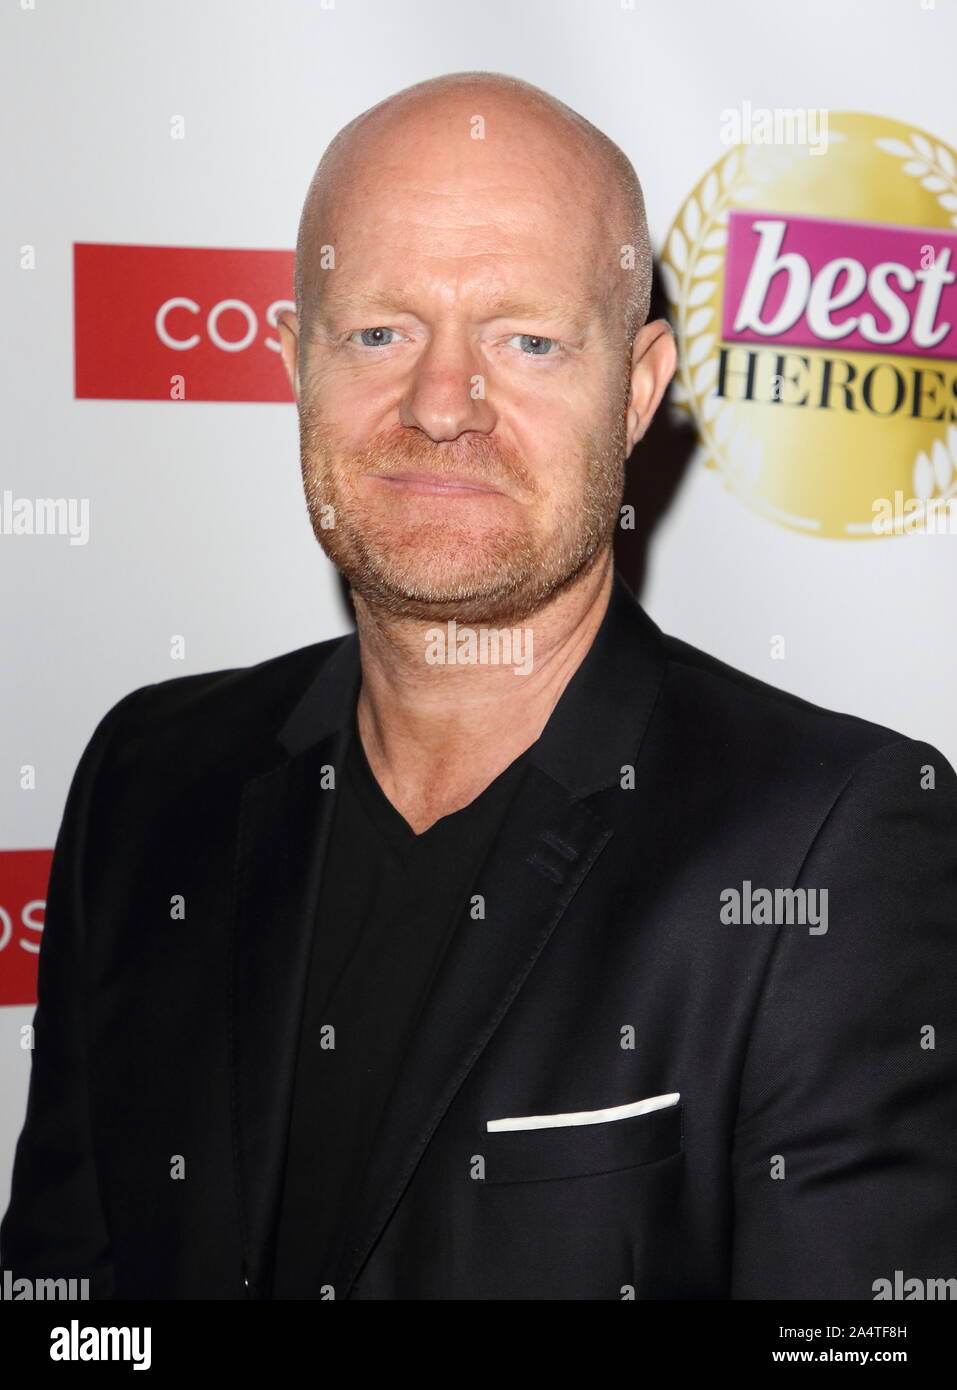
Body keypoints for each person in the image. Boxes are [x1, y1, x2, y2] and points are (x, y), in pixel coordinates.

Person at [3, 71, 956, 1301]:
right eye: (380, 332)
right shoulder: (149, 774)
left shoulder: (834, 839)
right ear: (295, 361)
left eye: (530, 340)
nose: (442, 403)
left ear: (637, 388)